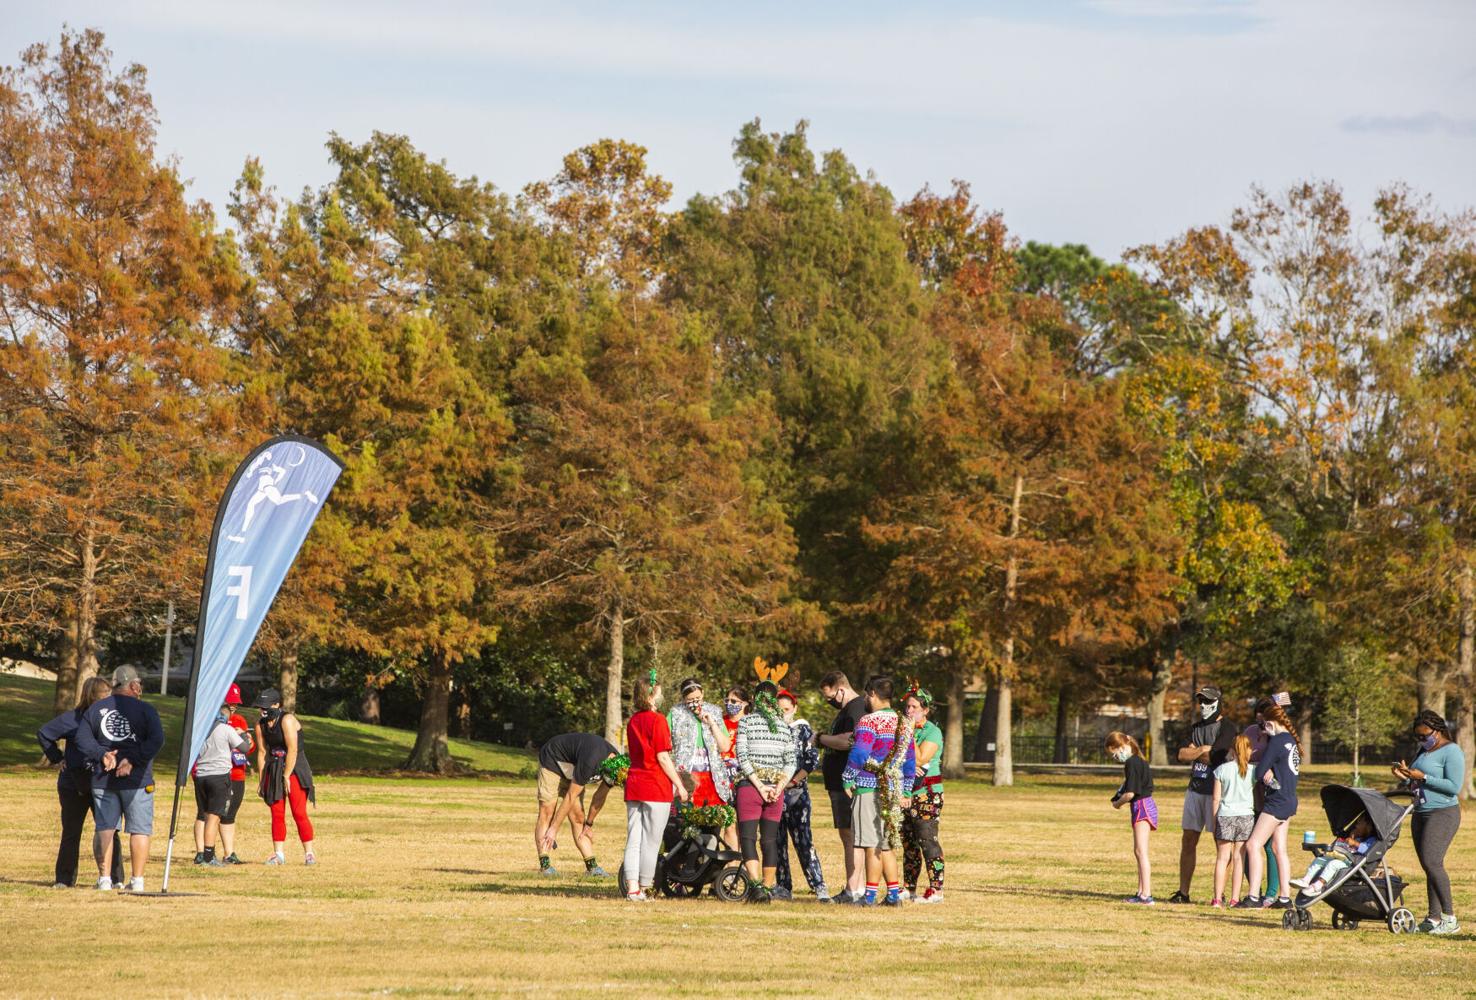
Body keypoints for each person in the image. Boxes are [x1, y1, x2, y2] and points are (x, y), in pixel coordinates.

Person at [74, 665, 165, 892]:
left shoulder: (95, 709)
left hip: (103, 778)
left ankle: (105, 879)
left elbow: (81, 739)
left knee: (105, 827)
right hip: (138, 781)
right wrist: (132, 761)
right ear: (133, 685)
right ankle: (137, 880)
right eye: (139, 684)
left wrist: (102, 755)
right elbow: (156, 740)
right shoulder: (146, 710)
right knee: (139, 829)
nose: (140, 687)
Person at [35, 676, 124, 888]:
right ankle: (64, 879)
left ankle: (115, 878)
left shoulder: (110, 720)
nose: (108, 700)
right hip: (74, 784)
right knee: (71, 831)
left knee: (110, 830)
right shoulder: (73, 719)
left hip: (102, 782)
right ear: (92, 697)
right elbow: (44, 733)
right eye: (104, 696)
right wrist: (57, 758)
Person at [842, 675, 916, 907]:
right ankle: (893, 895)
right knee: (886, 845)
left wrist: (847, 778)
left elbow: (860, 753)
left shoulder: (868, 721)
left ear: (872, 693)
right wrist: (906, 790)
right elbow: (910, 760)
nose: (865, 698)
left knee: (870, 845)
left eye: (866, 694)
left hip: (869, 787)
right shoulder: (904, 723)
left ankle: (870, 896)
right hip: (893, 789)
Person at [1394, 709, 1465, 934]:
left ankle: (1450, 919)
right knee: (1429, 865)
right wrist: (1406, 777)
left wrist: (1423, 777)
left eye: (1425, 735)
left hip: (1443, 812)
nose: (1422, 739)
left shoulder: (1451, 751)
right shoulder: (1424, 751)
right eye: (1418, 736)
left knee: (1432, 862)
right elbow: (1418, 784)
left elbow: (1454, 786)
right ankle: (1433, 918)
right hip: (1421, 812)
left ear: (1438, 730)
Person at [622, 673, 687, 901]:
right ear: (650, 696)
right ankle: (645, 886)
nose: (661, 697)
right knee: (651, 841)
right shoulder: (658, 720)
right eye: (658, 693)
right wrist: (679, 784)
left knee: (634, 839)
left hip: (635, 784)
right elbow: (662, 757)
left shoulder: (633, 721)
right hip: (655, 786)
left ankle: (632, 888)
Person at [1168, 684, 1235, 904]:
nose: (1203, 705)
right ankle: (1183, 892)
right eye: (1201, 701)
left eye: (1207, 701)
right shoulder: (1195, 727)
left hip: (1219, 792)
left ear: (1217, 702)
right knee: (1188, 840)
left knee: (1222, 844)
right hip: (1195, 790)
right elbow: (1180, 754)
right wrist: (1202, 750)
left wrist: (1197, 751)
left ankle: (1219, 894)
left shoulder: (1227, 728)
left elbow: (1218, 756)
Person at [735, 680, 797, 902]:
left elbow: (742, 756)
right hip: (775, 790)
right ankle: (767, 887)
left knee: (748, 837)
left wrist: (759, 786)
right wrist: (778, 787)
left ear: (755, 698)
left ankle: (755, 887)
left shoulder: (746, 722)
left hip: (750, 788)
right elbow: (791, 762)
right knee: (770, 840)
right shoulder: (783, 726)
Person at [1237, 699, 1301, 909]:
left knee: (1253, 845)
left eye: (1264, 725)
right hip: (1290, 799)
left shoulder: (1277, 741)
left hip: (1276, 802)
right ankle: (1285, 898)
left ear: (1271, 723)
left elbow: (1259, 771)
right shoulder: (1291, 740)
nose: (1263, 729)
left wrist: (1265, 772)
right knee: (1278, 848)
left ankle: (1253, 897)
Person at [535, 732, 621, 876]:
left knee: (578, 817)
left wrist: (589, 823)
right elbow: (570, 796)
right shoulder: (591, 762)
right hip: (554, 759)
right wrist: (553, 829)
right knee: (547, 811)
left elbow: (599, 797)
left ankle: (592, 868)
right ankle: (545, 867)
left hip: (573, 767)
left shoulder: (616, 768)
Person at [773, 688, 829, 902]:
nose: (783, 713)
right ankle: (783, 885)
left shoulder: (803, 729)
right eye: (779, 709)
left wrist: (794, 780)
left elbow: (812, 759)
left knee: (803, 840)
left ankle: (818, 885)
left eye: (786, 709)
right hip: (774, 793)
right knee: (776, 842)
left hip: (797, 794)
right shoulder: (771, 729)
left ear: (794, 708)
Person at [817, 670, 868, 902]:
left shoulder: (855, 709)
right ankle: (856, 887)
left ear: (841, 689)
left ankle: (853, 889)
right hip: (838, 782)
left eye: (830, 697)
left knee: (852, 837)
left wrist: (820, 739)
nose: (829, 702)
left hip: (848, 783)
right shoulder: (846, 711)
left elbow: (850, 741)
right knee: (848, 835)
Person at [254, 688, 316, 865]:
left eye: (266, 706)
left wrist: (286, 775)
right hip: (274, 767)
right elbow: (262, 752)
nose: (263, 710)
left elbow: (293, 749)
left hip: (295, 768)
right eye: (260, 707)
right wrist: (262, 780)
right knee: (277, 813)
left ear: (277, 704)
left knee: (298, 812)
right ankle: (278, 854)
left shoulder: (287, 720)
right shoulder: (260, 725)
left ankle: (309, 854)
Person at [192, 688, 252, 867]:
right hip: (219, 776)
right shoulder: (226, 729)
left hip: (202, 775)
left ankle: (205, 854)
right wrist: (242, 735)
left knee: (206, 814)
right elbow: (245, 748)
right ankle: (208, 856)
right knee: (213, 816)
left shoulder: (201, 729)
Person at [900, 684, 945, 904]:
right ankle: (909, 887)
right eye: (907, 707)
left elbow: (920, 759)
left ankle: (936, 889)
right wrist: (905, 766)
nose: (909, 711)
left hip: (927, 793)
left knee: (927, 840)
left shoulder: (932, 732)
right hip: (904, 792)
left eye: (914, 707)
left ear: (925, 710)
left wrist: (909, 734)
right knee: (908, 843)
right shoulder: (902, 728)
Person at [667, 678, 734, 808]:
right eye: (690, 700)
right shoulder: (675, 713)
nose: (695, 702)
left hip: (713, 778)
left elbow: (725, 747)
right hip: (687, 778)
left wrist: (711, 723)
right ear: (684, 699)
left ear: (703, 693)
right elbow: (665, 743)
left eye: (698, 698)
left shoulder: (714, 711)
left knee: (713, 817)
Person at [1107, 731, 1155, 905]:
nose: (1116, 757)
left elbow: (1130, 793)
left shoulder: (1132, 762)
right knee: (1138, 851)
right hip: (1143, 805)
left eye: (1116, 752)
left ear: (1124, 745)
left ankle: (1146, 895)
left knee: (1141, 851)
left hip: (1142, 806)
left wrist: (1117, 803)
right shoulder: (1140, 760)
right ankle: (1141, 892)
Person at [1210, 732, 1255, 907]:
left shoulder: (1221, 770)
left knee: (1222, 858)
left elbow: (1216, 799)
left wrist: (1214, 820)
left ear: (1232, 750)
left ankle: (1217, 898)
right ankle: (1235, 898)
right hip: (1246, 816)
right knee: (1239, 858)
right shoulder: (1253, 771)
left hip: (1225, 815)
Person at [1289, 814, 1376, 897]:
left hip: (1351, 863)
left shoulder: (1371, 840)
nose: (1356, 826)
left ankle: (1318, 886)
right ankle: (1306, 880)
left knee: (1333, 864)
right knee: (1320, 859)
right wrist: (1352, 836)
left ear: (1368, 826)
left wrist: (1355, 843)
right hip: (1340, 857)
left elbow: (1368, 849)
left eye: (1359, 824)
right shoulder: (1357, 836)